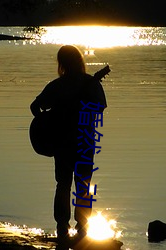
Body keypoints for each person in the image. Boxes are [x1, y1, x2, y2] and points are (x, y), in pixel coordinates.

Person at [30, 45, 107, 244]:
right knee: (83, 185)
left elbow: (34, 106)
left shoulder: (57, 85)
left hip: (61, 142)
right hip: (85, 141)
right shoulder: (90, 83)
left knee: (62, 184)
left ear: (62, 63)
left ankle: (62, 227)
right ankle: (82, 229)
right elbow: (100, 108)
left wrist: (47, 121)